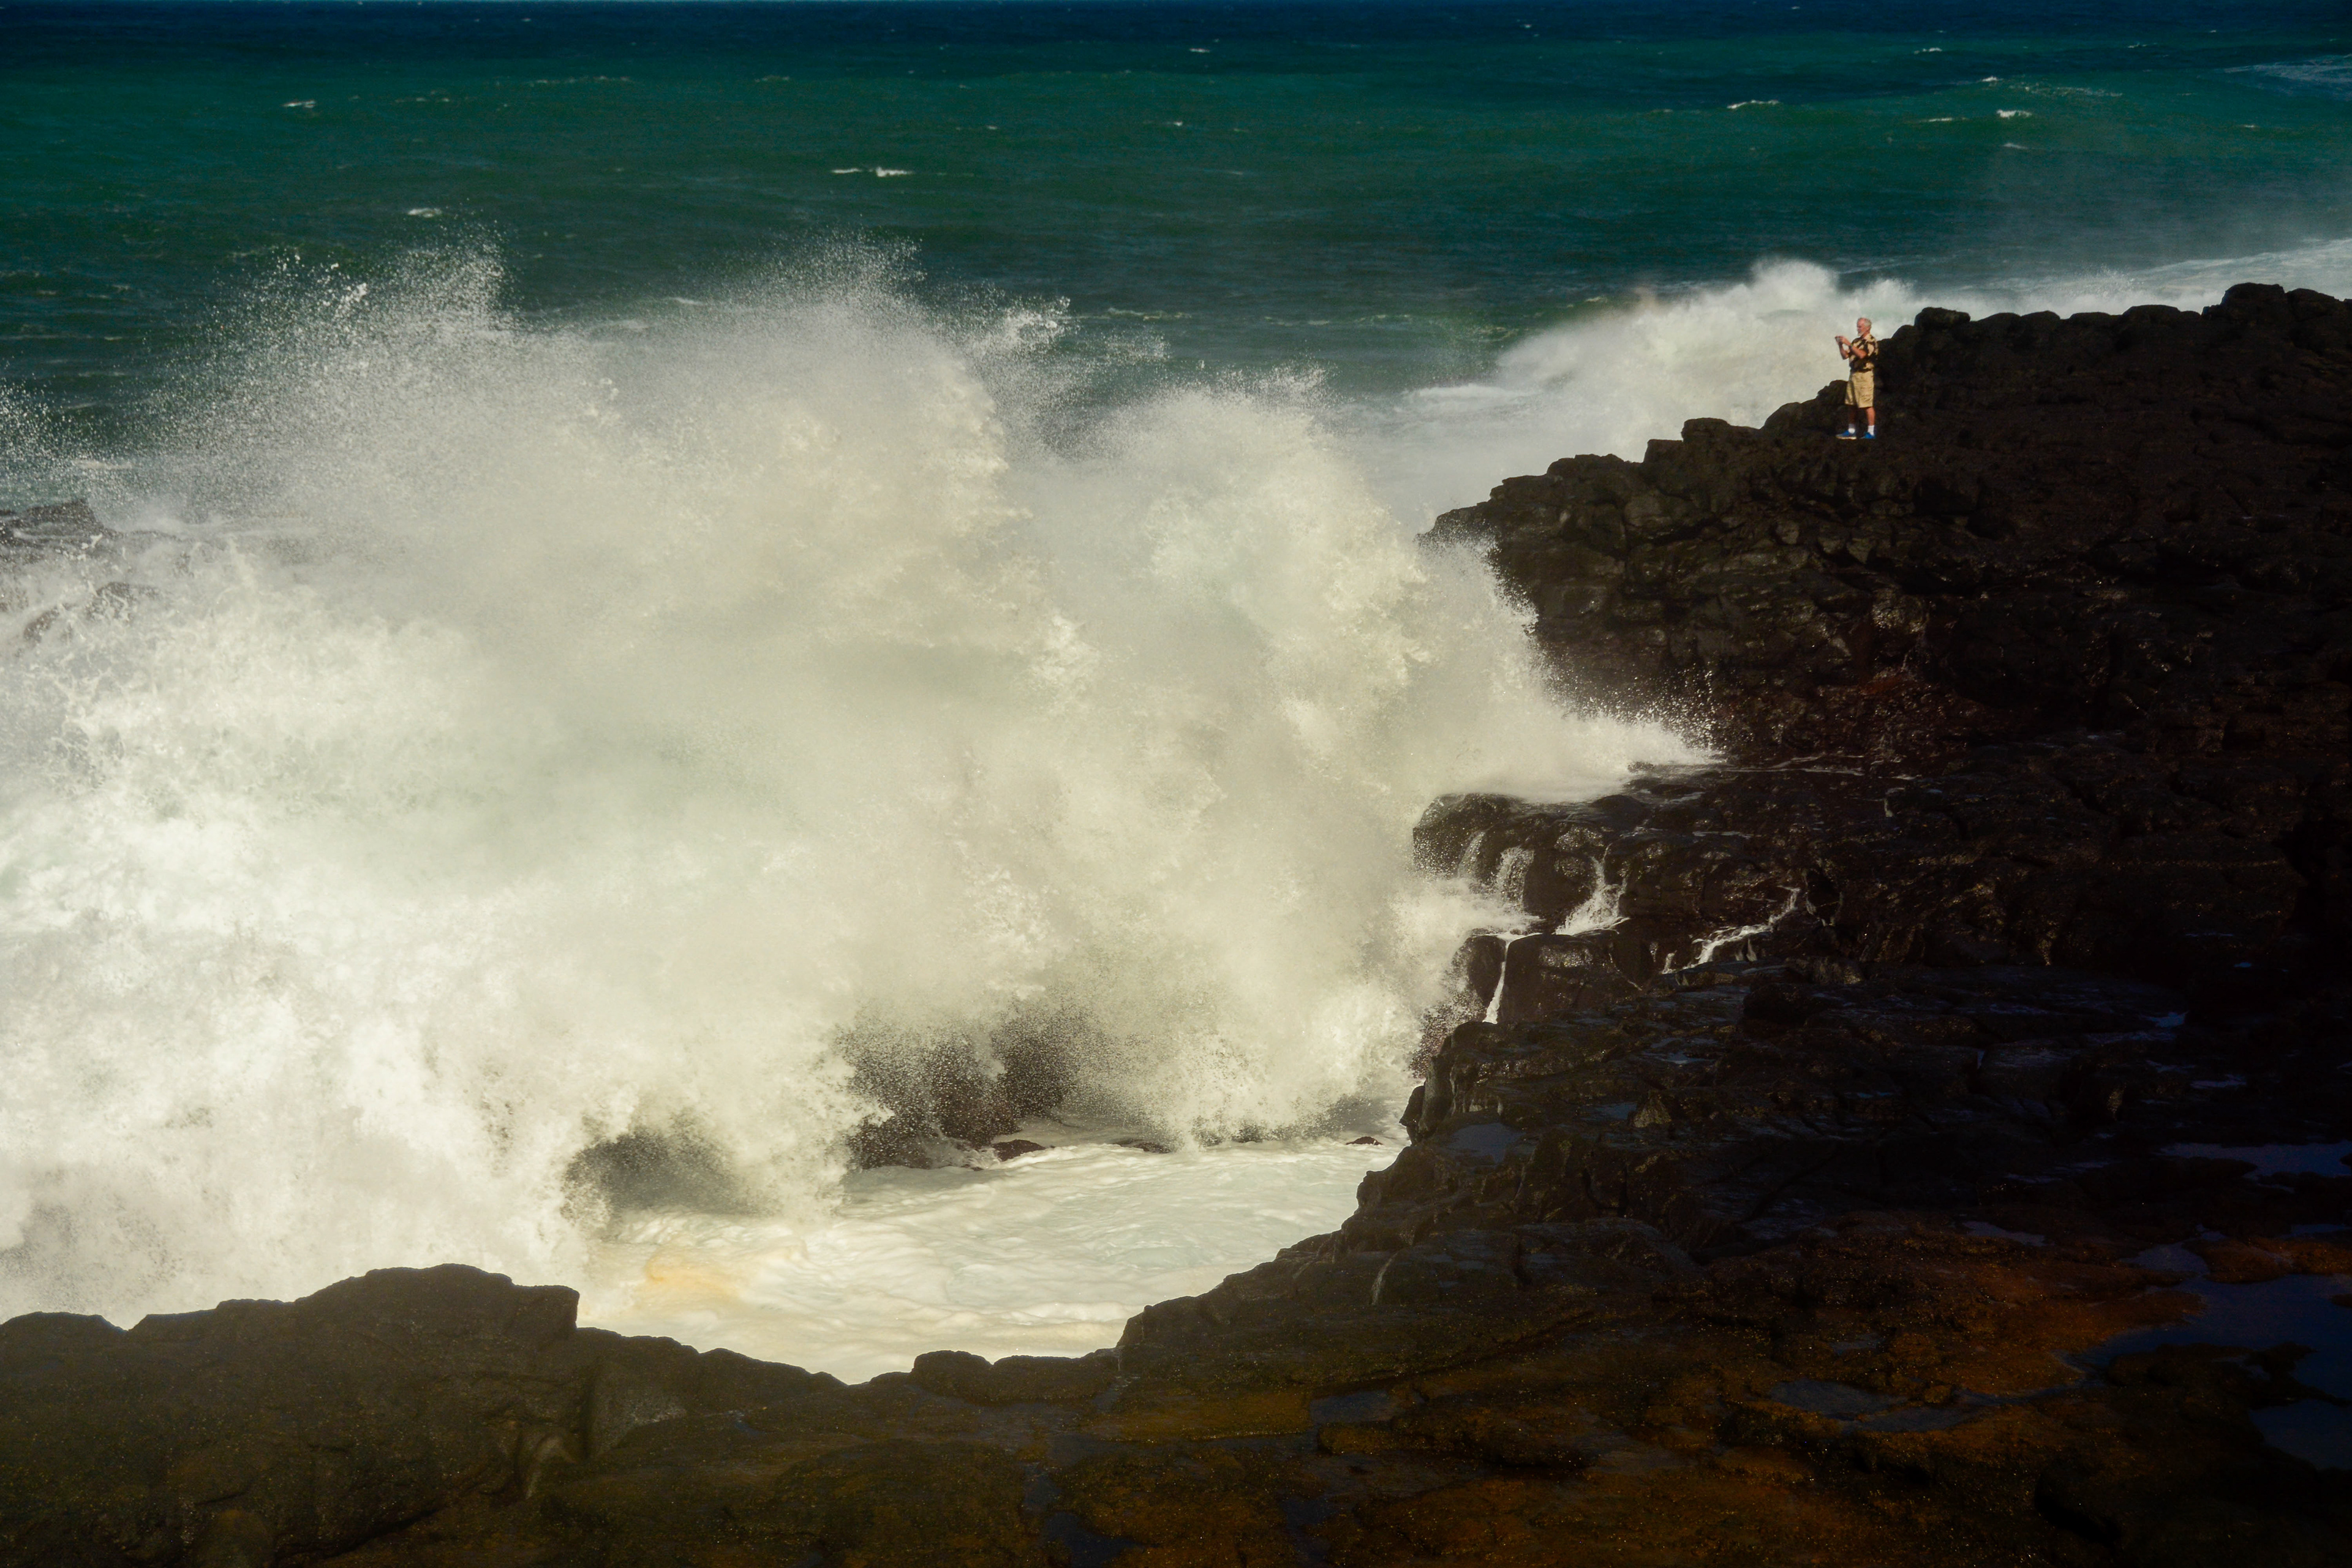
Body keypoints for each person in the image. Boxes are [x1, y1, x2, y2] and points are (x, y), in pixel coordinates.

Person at [1833, 317, 1878, 440]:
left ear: (1867, 327)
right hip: (1854, 375)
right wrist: (1841, 346)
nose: (1858, 328)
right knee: (1851, 403)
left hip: (1865, 375)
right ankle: (1851, 431)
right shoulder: (1857, 341)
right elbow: (1845, 356)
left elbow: (1862, 355)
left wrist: (1849, 344)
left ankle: (1871, 432)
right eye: (1857, 326)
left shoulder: (1871, 341)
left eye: (1860, 326)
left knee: (1867, 404)